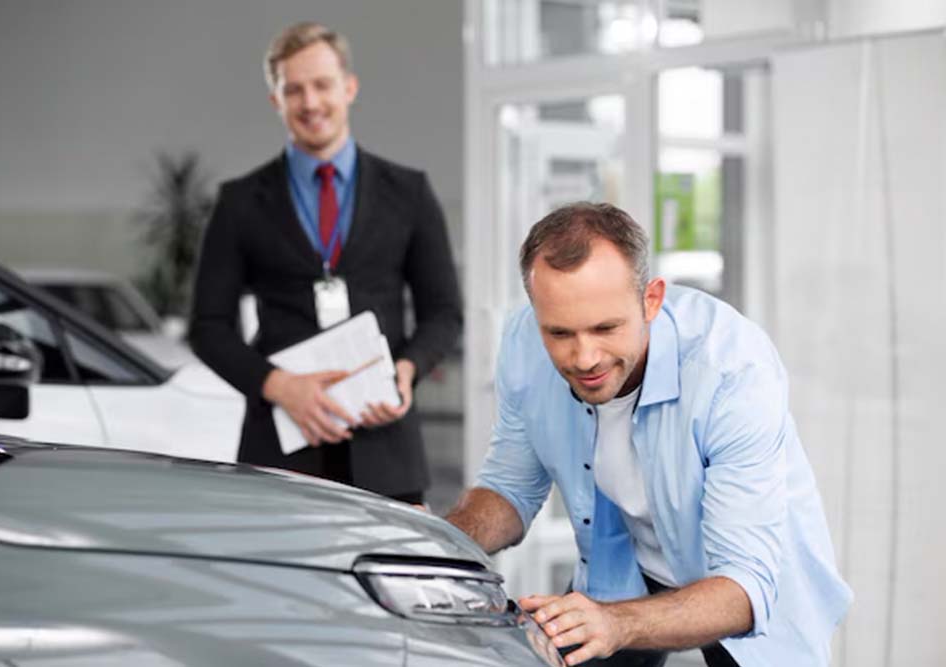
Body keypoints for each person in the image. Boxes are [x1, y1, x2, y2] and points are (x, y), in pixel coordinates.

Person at [446, 203, 851, 666]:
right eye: (560, 333)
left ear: (651, 300)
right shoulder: (523, 342)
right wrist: (437, 540)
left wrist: (617, 623)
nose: (584, 357)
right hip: (623, 572)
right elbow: (509, 488)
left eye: (606, 328)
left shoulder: (731, 369)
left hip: (744, 590)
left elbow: (744, 585)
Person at [190, 22, 461, 504]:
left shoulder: (410, 193)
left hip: (387, 448)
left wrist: (408, 369)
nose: (310, 103)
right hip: (281, 449)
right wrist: (277, 386)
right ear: (276, 99)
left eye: (322, 85)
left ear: (349, 87)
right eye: (293, 89)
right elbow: (208, 327)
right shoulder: (240, 203)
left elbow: (444, 313)